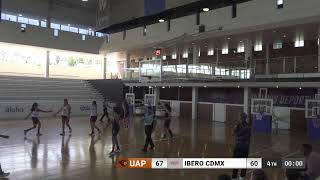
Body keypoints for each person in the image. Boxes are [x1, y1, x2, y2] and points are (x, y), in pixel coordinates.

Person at [232, 112, 251, 180]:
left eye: (239, 117)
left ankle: (234, 177)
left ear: (240, 118)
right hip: (245, 147)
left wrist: (235, 128)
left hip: (238, 147)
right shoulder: (248, 125)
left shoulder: (238, 125)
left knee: (235, 164)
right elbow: (249, 135)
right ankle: (242, 177)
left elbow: (233, 133)